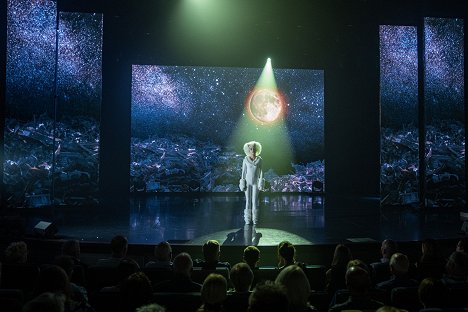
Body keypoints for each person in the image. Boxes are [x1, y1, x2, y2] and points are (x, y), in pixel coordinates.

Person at [239, 141, 263, 225]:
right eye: (251, 148)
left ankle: (255, 219)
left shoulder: (259, 160)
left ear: (257, 149)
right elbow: (243, 172)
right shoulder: (245, 159)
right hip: (248, 182)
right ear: (248, 149)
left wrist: (261, 183)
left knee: (255, 201)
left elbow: (261, 172)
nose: (252, 150)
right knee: (248, 201)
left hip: (256, 183)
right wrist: (242, 182)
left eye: (254, 148)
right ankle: (247, 219)